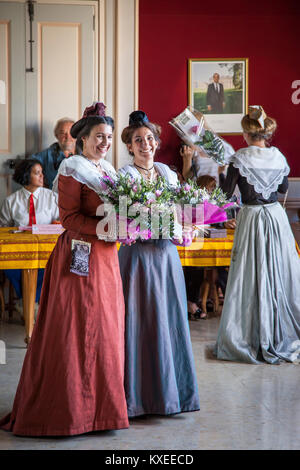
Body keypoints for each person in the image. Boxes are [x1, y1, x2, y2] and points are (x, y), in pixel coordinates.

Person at [0, 102, 129, 436]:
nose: (105, 142)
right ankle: (72, 409)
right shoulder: (73, 169)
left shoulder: (109, 171)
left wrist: (132, 224)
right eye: (99, 136)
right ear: (82, 139)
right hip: (79, 256)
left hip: (106, 259)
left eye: (109, 137)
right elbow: (69, 220)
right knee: (78, 329)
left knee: (104, 327)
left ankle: (103, 411)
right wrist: (109, 229)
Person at [118, 110, 200, 418]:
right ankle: (137, 398)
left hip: (166, 256)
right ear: (129, 146)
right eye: (138, 140)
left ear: (156, 141)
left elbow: (181, 210)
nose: (145, 144)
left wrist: (189, 225)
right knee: (138, 321)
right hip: (137, 258)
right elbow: (126, 216)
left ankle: (171, 395)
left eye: (150, 138)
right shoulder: (124, 176)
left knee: (169, 319)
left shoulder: (167, 173)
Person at [214, 105, 300, 364]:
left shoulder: (239, 158)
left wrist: (222, 172)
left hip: (252, 217)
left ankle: (250, 334)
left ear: (246, 132)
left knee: (251, 274)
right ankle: (278, 331)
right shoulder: (278, 156)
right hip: (275, 217)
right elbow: (284, 186)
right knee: (277, 271)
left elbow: (227, 195)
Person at [0, 159, 59, 302]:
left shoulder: (52, 197)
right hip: (18, 253)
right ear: (26, 176)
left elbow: (61, 224)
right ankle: (30, 303)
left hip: (46, 252)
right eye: (37, 173)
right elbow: (4, 229)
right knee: (10, 269)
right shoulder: (11, 201)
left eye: (41, 172)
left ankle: (31, 303)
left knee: (50, 269)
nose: (42, 176)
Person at [31, 117, 76, 188]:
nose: (67, 137)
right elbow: (27, 167)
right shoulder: (47, 155)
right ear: (56, 135)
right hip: (54, 197)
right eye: (62, 133)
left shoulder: (86, 154)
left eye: (71, 132)